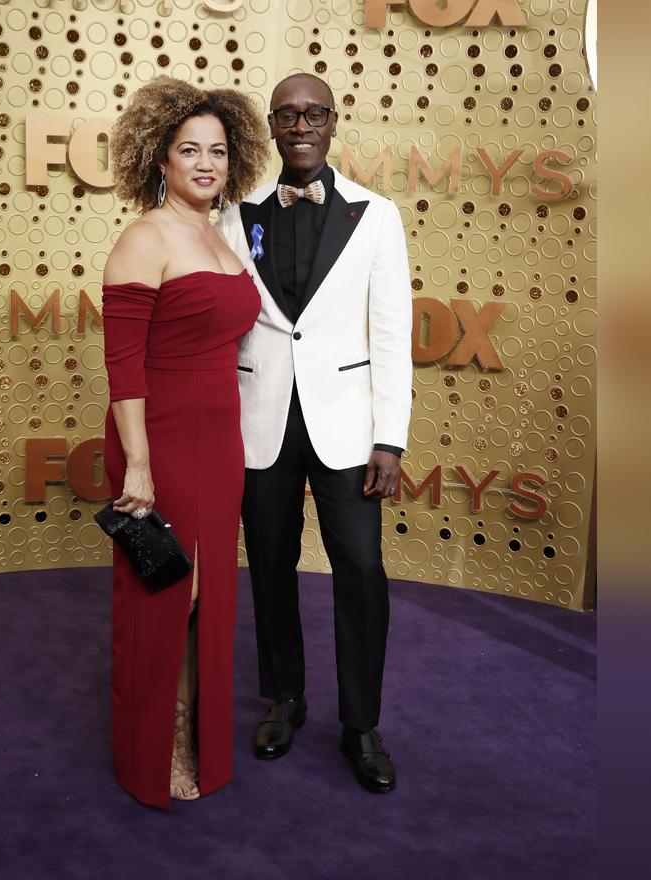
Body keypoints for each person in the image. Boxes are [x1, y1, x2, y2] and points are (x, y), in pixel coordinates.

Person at [217, 73, 413, 793]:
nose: (300, 124)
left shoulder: (377, 215)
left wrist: (389, 439)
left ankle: (361, 724)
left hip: (348, 430)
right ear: (272, 127)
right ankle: (285, 697)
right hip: (261, 422)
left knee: (360, 569)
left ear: (333, 123)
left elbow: (392, 335)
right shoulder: (235, 217)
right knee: (268, 564)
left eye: (313, 113)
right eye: (287, 114)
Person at [101, 77, 266, 809]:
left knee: (209, 598)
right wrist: (137, 460)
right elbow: (123, 361)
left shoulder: (219, 235)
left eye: (218, 152)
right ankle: (155, 749)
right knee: (171, 594)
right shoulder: (144, 235)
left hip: (218, 439)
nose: (205, 164)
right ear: (158, 159)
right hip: (158, 436)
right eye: (188, 150)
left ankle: (198, 736)